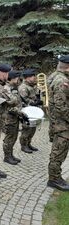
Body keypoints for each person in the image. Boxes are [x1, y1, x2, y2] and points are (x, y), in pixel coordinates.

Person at [47, 55, 69, 191]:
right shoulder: (61, 80)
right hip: (62, 124)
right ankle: (54, 179)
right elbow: (61, 106)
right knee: (58, 152)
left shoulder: (53, 76)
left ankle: (55, 177)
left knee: (58, 151)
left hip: (58, 122)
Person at [3, 70, 29, 165]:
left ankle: (10, 155)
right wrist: (20, 113)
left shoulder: (14, 88)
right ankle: (7, 157)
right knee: (9, 138)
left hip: (15, 117)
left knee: (13, 137)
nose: (19, 80)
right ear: (13, 78)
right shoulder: (6, 89)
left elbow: (17, 101)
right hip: (9, 118)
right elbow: (8, 106)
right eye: (17, 78)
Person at [18, 69, 43, 154]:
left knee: (32, 129)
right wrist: (35, 103)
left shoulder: (32, 86)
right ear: (27, 78)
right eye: (33, 76)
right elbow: (24, 100)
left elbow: (34, 96)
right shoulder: (23, 87)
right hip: (27, 111)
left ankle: (28, 144)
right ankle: (23, 145)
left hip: (33, 111)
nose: (35, 78)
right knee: (26, 129)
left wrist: (39, 97)